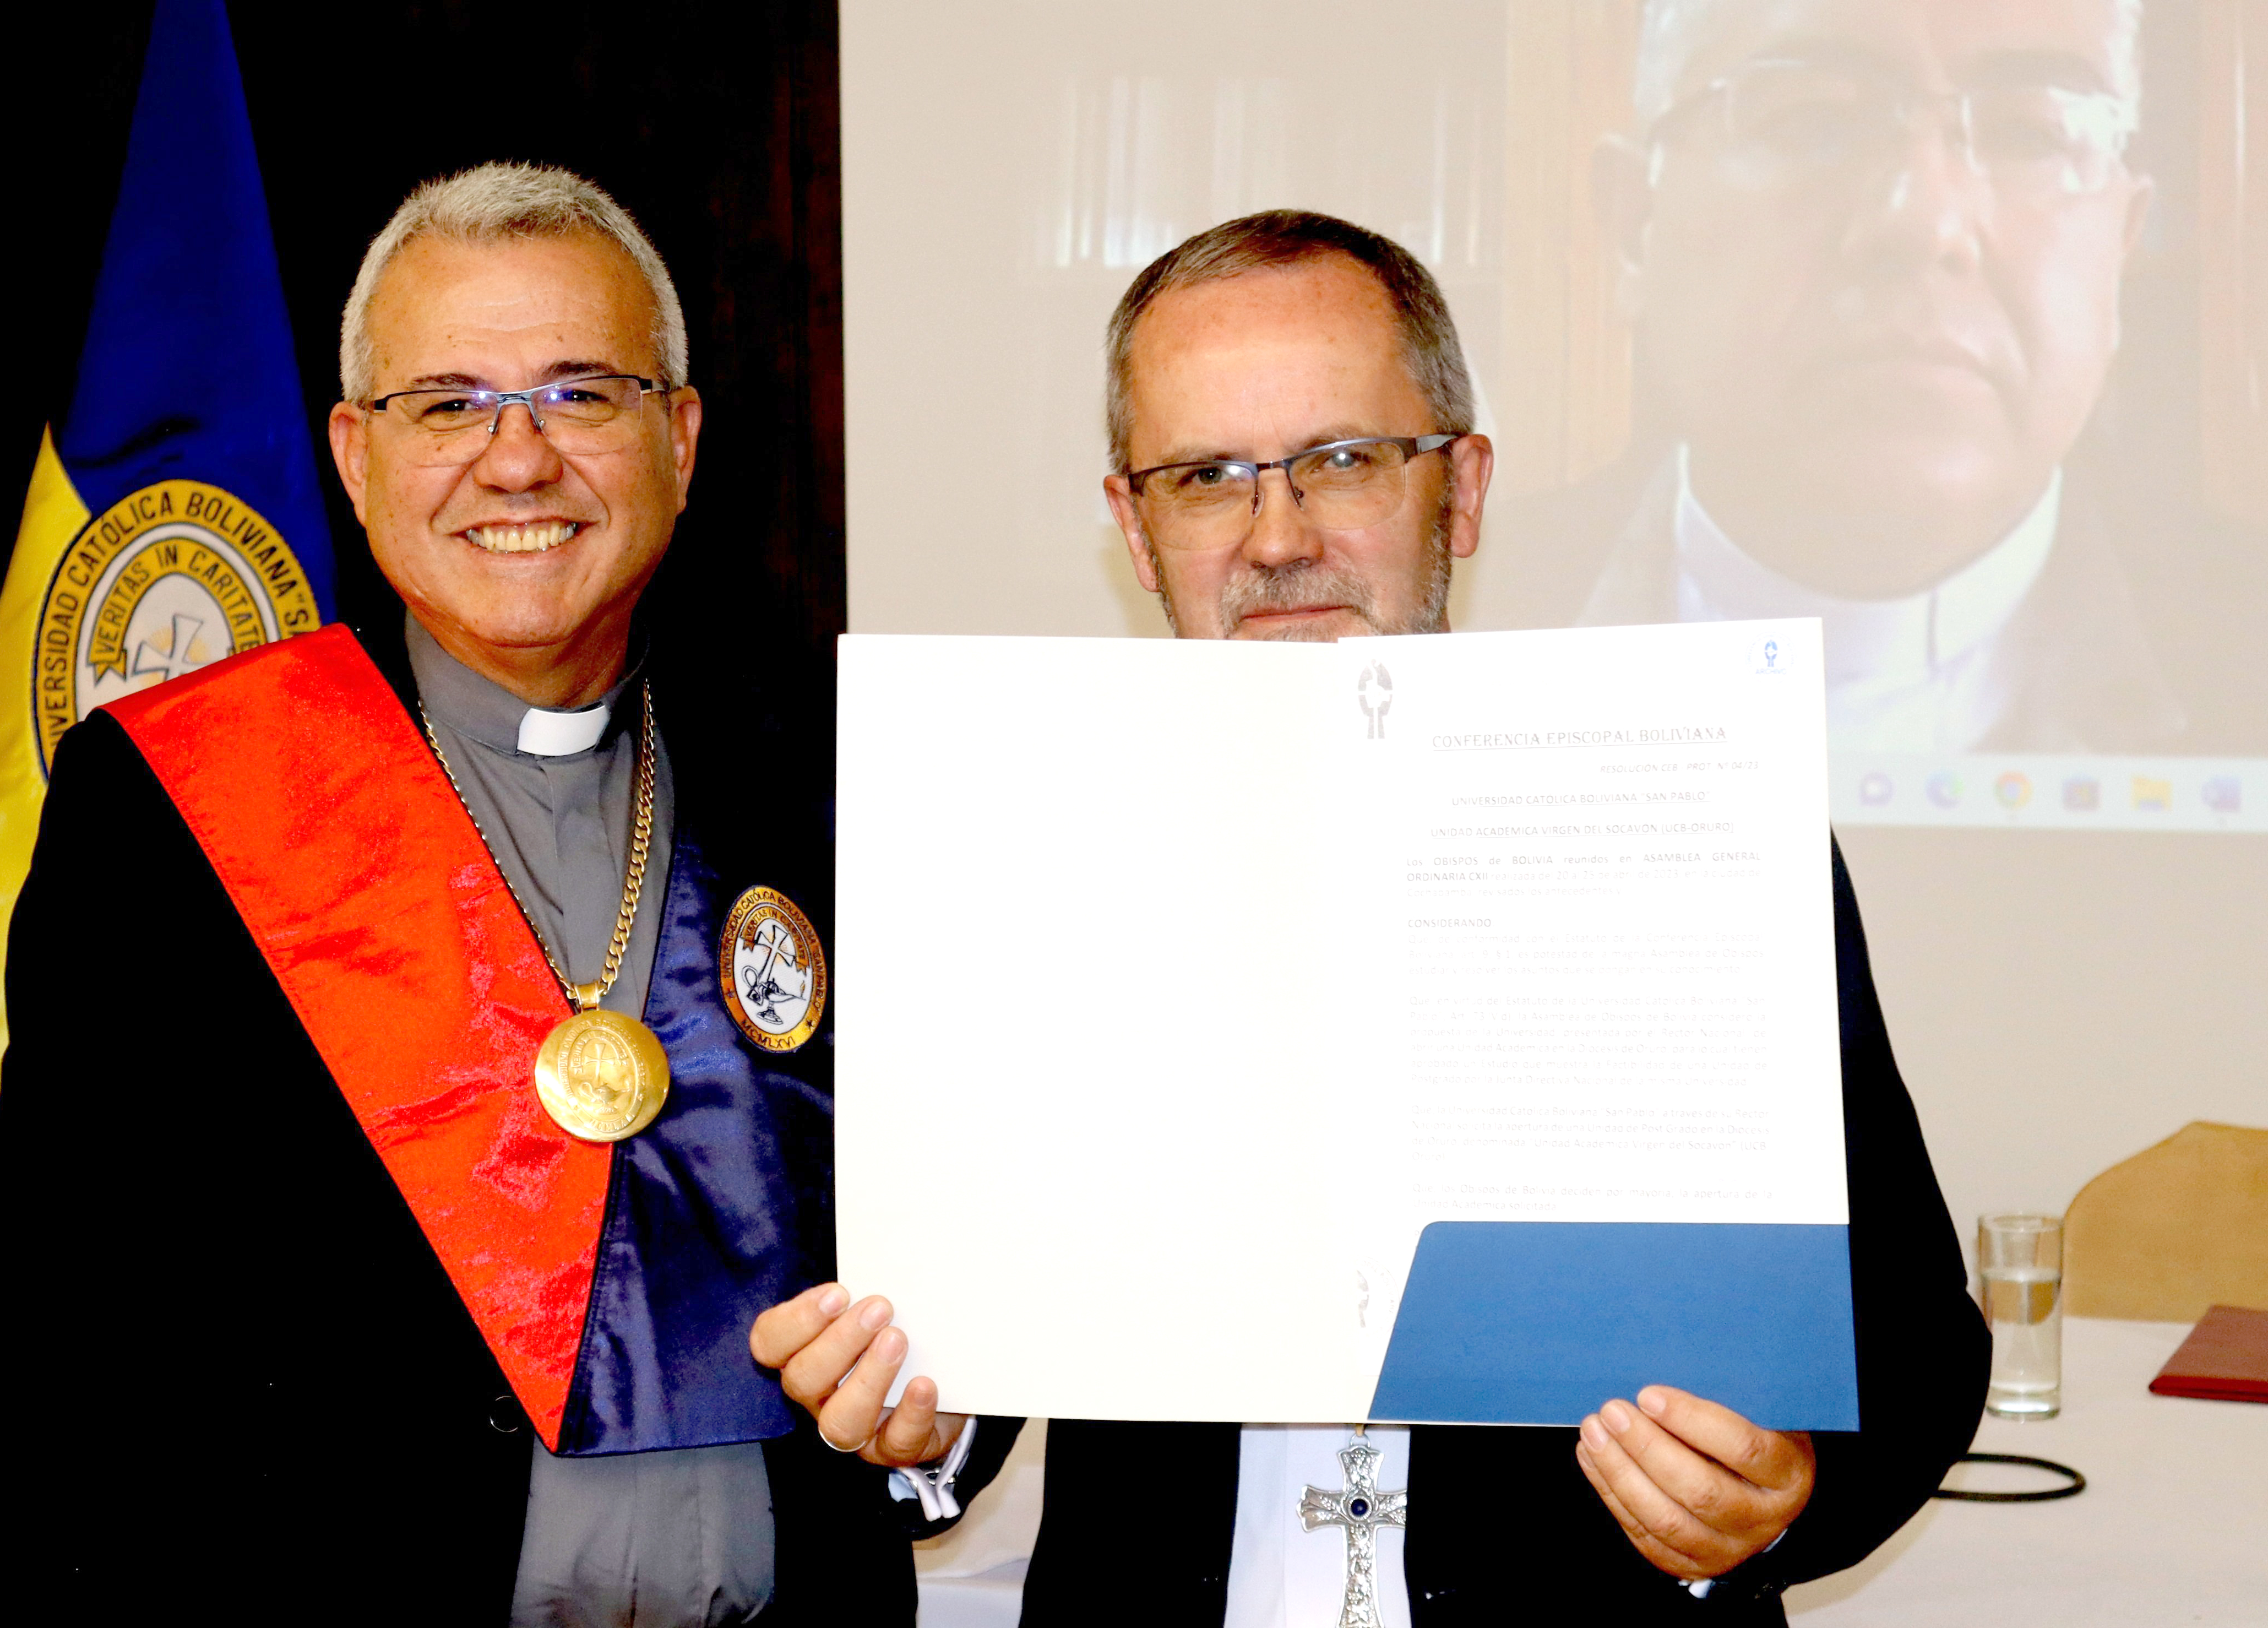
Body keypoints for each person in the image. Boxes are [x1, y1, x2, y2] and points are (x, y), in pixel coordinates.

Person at [759, 210, 1989, 1624]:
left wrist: (1784, 1495)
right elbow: (952, 1342)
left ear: (1460, 492)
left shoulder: (1690, 815)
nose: (1278, 536)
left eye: (1342, 459)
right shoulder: (1023, 856)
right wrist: (922, 1411)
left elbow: (1914, 1346)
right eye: (1208, 477)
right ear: (1136, 528)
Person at [0, 162, 1009, 1626]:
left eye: (581, 393)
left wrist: (943, 1418)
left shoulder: (842, 773)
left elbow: (982, 1252)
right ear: (354, 454)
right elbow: (47, 1357)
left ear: (680, 439)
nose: (518, 461)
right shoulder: (175, 805)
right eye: (447, 403)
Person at [1472, 0, 2268, 756]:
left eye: (2029, 133)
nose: (1923, 221)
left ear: (2120, 246)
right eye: (1813, 120)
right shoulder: (1439, 633)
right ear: (1635, 230)